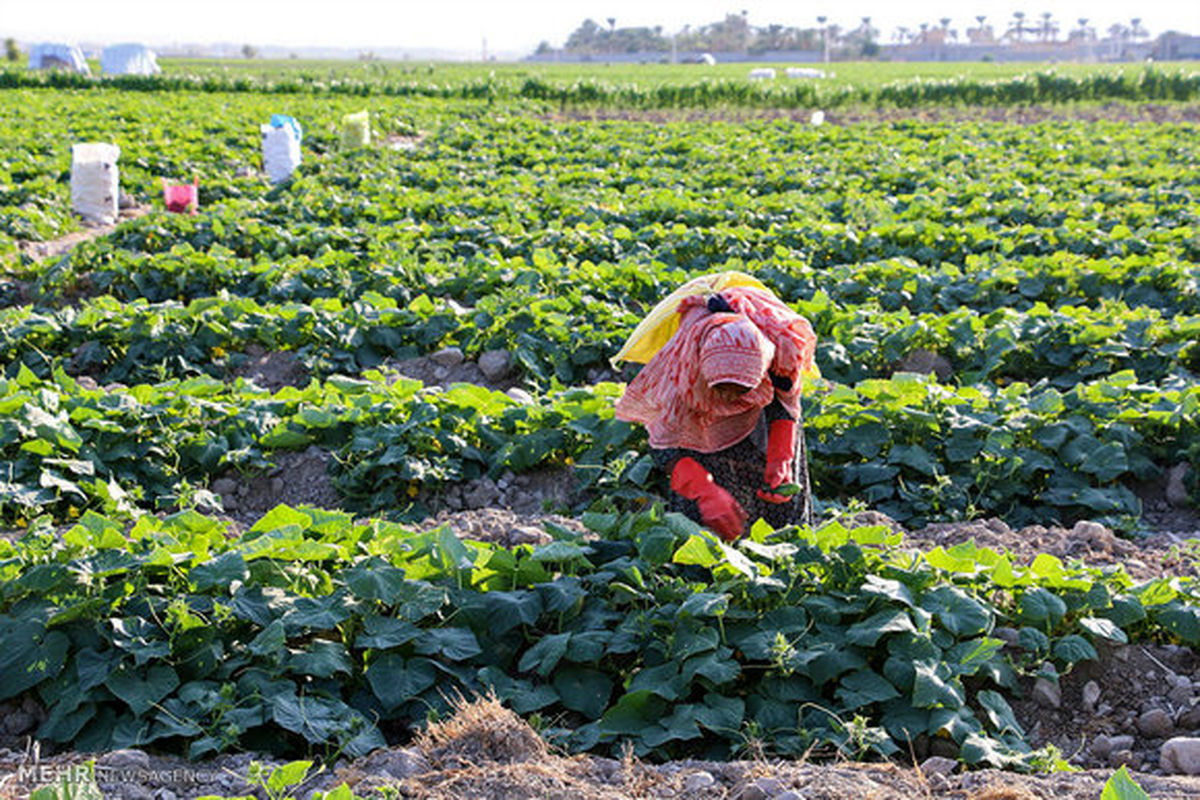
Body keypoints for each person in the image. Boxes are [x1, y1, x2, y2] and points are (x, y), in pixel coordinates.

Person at [615, 284, 817, 541]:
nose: (730, 398)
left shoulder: (777, 352)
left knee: (780, 511)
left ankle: (783, 551)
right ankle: (705, 561)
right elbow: (664, 448)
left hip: (758, 417)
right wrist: (704, 490)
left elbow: (786, 406)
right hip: (699, 432)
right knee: (702, 522)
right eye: (723, 389)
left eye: (740, 389)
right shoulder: (681, 375)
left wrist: (780, 460)